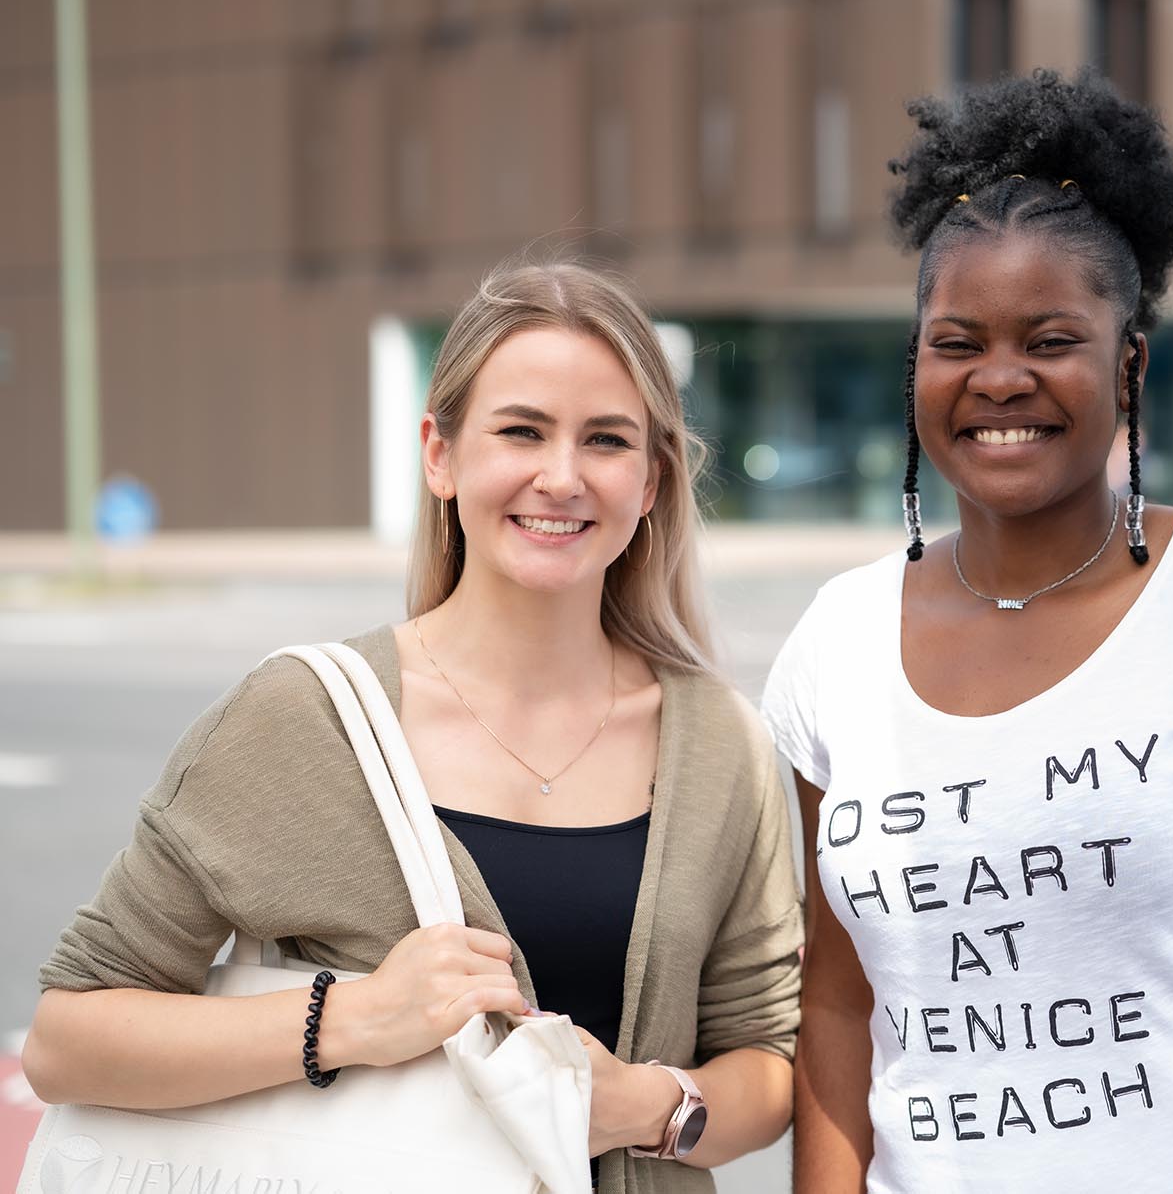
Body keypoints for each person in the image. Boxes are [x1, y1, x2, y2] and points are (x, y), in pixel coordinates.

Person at [23, 259, 802, 1191]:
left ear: (651, 481)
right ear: (440, 454)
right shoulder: (301, 719)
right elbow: (67, 1039)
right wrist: (351, 1018)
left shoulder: (724, 743)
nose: (561, 476)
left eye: (605, 440)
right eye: (521, 431)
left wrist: (639, 1104)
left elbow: (766, 1060)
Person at [765, 71, 1173, 1193]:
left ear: (1129, 363)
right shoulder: (838, 638)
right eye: (957, 342)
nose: (1000, 378)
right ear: (916, 366)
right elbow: (836, 1001)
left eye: (1050, 338)